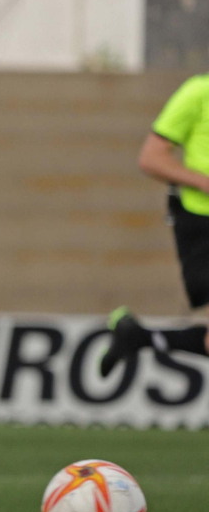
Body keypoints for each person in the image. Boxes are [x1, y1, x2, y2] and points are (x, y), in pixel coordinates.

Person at [100, 73, 209, 375]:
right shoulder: (199, 92)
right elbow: (151, 157)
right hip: (202, 225)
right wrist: (203, 181)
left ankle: (137, 337)